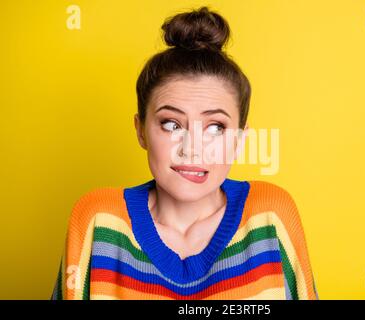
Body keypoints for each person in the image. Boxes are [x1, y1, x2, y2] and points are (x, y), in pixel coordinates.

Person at [51, 6, 318, 300]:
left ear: (240, 139)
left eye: (215, 127)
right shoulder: (98, 222)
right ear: (141, 130)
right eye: (171, 124)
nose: (192, 148)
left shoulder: (270, 215)